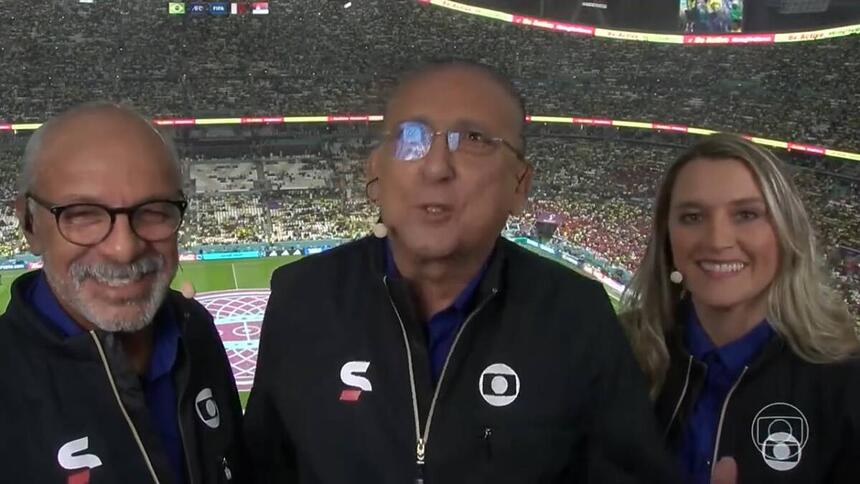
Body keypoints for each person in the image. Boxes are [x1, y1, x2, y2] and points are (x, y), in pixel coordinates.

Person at [244, 60, 678, 483]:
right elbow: (263, 467)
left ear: (520, 184)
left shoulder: (578, 317)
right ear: (375, 171)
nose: (436, 166)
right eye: (411, 137)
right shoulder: (302, 297)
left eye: (472, 139)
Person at [0, 103, 244, 483]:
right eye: (81, 214)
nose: (124, 248)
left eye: (154, 211)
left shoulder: (194, 329)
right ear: (29, 224)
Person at [622, 134, 860, 483]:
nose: (718, 241)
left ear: (784, 232)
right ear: (667, 237)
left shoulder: (846, 385)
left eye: (746, 214)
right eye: (692, 217)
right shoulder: (615, 351)